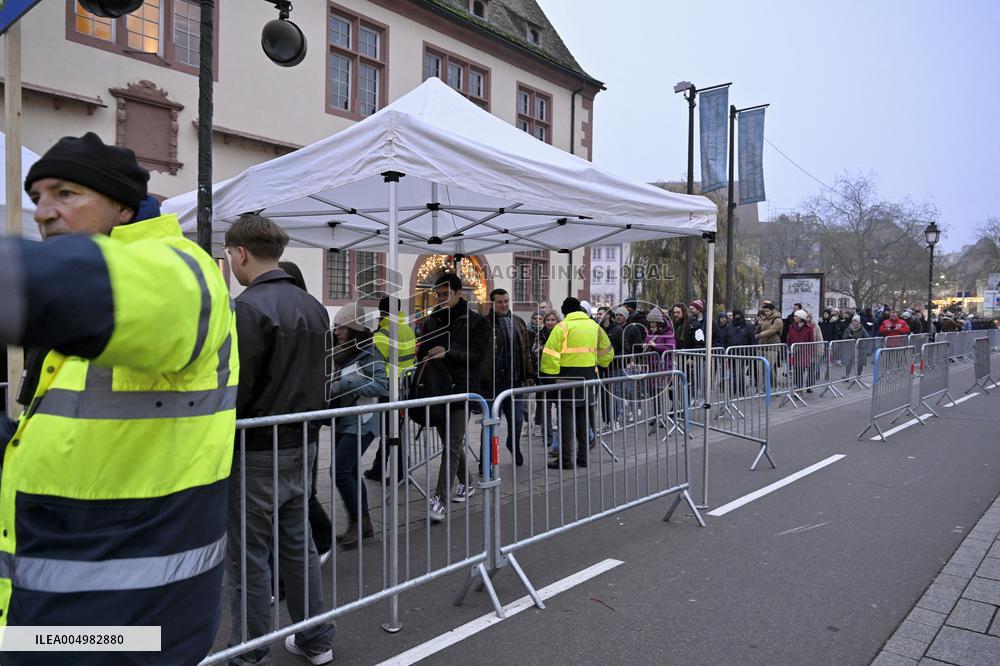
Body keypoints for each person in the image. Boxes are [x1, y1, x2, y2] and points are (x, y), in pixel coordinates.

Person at [4, 132, 236, 665]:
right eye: (37, 196)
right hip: (55, 617)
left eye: (65, 194)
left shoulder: (179, 270)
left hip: (129, 626)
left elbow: (85, 289)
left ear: (122, 206)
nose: (43, 213)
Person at [226, 213, 335, 664]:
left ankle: (248, 651)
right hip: (300, 443)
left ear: (241, 254)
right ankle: (315, 638)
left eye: (230, 256)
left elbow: (237, 385)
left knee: (251, 555)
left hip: (256, 447)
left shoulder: (248, 308)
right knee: (298, 545)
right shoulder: (312, 306)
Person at [419, 273, 488, 521]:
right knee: (452, 443)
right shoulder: (432, 321)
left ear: (460, 293)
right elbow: (423, 351)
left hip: (462, 389)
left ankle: (440, 499)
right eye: (437, 294)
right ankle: (467, 483)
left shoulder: (477, 322)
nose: (440, 299)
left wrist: (447, 353)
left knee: (452, 443)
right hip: (436, 389)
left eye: (445, 294)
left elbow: (477, 356)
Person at [278, 260, 335, 559]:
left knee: (299, 492)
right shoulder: (316, 311)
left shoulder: (297, 313)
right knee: (299, 491)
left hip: (297, 415)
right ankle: (312, 545)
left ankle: (320, 540)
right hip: (306, 416)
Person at [328, 302, 388, 549]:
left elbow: (381, 385)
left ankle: (359, 523)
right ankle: (363, 525)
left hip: (362, 421)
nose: (337, 332)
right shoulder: (342, 351)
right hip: (344, 419)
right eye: (335, 328)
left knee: (340, 470)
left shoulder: (369, 352)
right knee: (349, 471)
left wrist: (348, 383)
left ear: (354, 329)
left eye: (341, 328)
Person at [541, 298, 614, 470]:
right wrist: (602, 363)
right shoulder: (594, 326)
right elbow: (607, 351)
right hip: (588, 375)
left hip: (565, 377)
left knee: (565, 419)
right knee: (583, 416)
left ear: (565, 311)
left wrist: (549, 378)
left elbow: (549, 355)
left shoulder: (562, 327)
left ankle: (566, 459)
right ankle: (583, 457)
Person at [364, 295, 417, 483]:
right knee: (396, 431)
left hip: (388, 389)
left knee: (391, 432)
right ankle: (382, 468)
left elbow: (369, 362)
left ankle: (400, 472)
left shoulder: (383, 334)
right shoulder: (407, 329)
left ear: (382, 312)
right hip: (405, 387)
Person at [481, 288, 532, 465]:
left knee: (517, 420)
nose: (504, 305)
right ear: (492, 304)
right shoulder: (483, 324)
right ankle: (486, 461)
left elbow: (525, 351)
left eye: (506, 301)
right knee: (490, 424)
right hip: (492, 383)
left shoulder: (518, 322)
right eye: (500, 302)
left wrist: (529, 374)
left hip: (515, 381)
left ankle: (514, 444)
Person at [786, 309, 816, 394]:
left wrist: (811, 351)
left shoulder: (809, 328)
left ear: (801, 317)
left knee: (800, 369)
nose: (794, 317)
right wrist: (788, 347)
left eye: (796, 316)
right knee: (796, 371)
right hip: (794, 351)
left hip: (804, 352)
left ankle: (799, 390)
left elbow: (811, 340)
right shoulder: (791, 326)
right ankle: (798, 388)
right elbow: (789, 338)